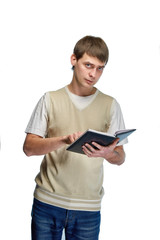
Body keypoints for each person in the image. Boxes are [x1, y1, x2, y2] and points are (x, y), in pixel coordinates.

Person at [23, 35, 127, 240]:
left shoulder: (110, 105)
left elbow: (121, 157)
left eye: (100, 68)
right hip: (47, 203)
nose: (93, 74)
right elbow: (29, 148)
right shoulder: (50, 99)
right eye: (88, 65)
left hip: (88, 208)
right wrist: (64, 140)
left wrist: (108, 153)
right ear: (73, 60)